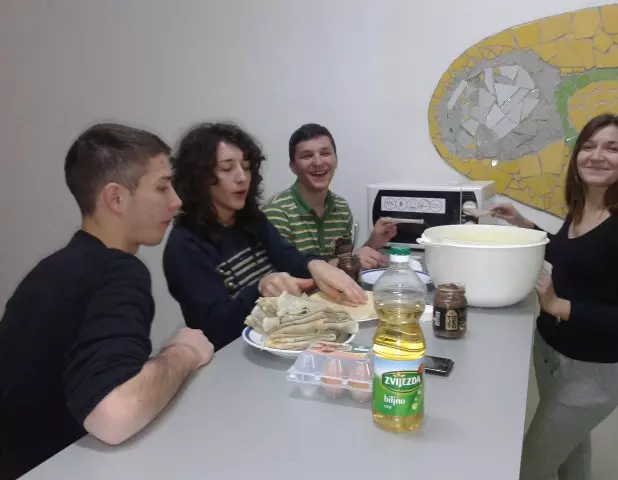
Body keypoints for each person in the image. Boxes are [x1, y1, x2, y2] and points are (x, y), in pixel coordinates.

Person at [0, 123, 214, 479]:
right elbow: (115, 415)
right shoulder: (117, 272)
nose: (176, 200)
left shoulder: (54, 268)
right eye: (162, 187)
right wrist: (184, 353)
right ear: (116, 199)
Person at [490, 114, 618, 480]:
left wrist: (559, 305)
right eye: (588, 146)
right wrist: (524, 224)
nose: (597, 155)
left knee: (528, 468)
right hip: (550, 353)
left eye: (612, 148)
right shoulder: (582, 207)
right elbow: (572, 255)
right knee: (572, 455)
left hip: (591, 372)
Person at [163, 122, 366, 351]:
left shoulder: (250, 220)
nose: (242, 177)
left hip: (273, 342)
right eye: (227, 169)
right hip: (233, 356)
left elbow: (288, 257)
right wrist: (260, 289)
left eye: (246, 167)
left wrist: (315, 264)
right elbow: (214, 329)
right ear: (199, 178)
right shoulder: (185, 245)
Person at [263, 123, 397, 269]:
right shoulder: (277, 211)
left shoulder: (341, 207)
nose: (318, 162)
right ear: (293, 167)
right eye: (307, 156)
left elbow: (346, 262)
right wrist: (340, 263)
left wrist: (372, 243)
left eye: (325, 153)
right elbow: (280, 274)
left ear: (336, 160)